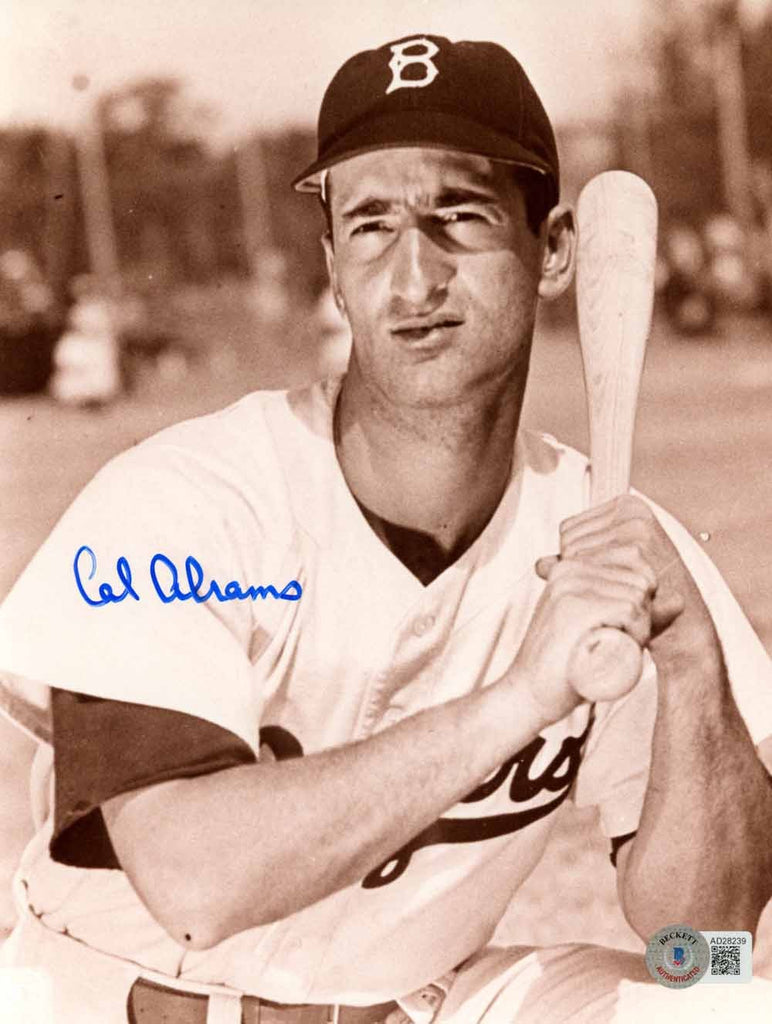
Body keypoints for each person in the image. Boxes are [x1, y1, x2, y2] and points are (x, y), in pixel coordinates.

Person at [1, 33, 772, 1024]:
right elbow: (194, 883)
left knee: (728, 1011)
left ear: (554, 250)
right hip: (111, 1004)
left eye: (459, 216)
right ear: (332, 265)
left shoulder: (611, 543)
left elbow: (703, 947)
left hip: (419, 1007)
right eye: (371, 226)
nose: (413, 280)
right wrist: (521, 697)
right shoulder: (186, 502)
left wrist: (694, 666)